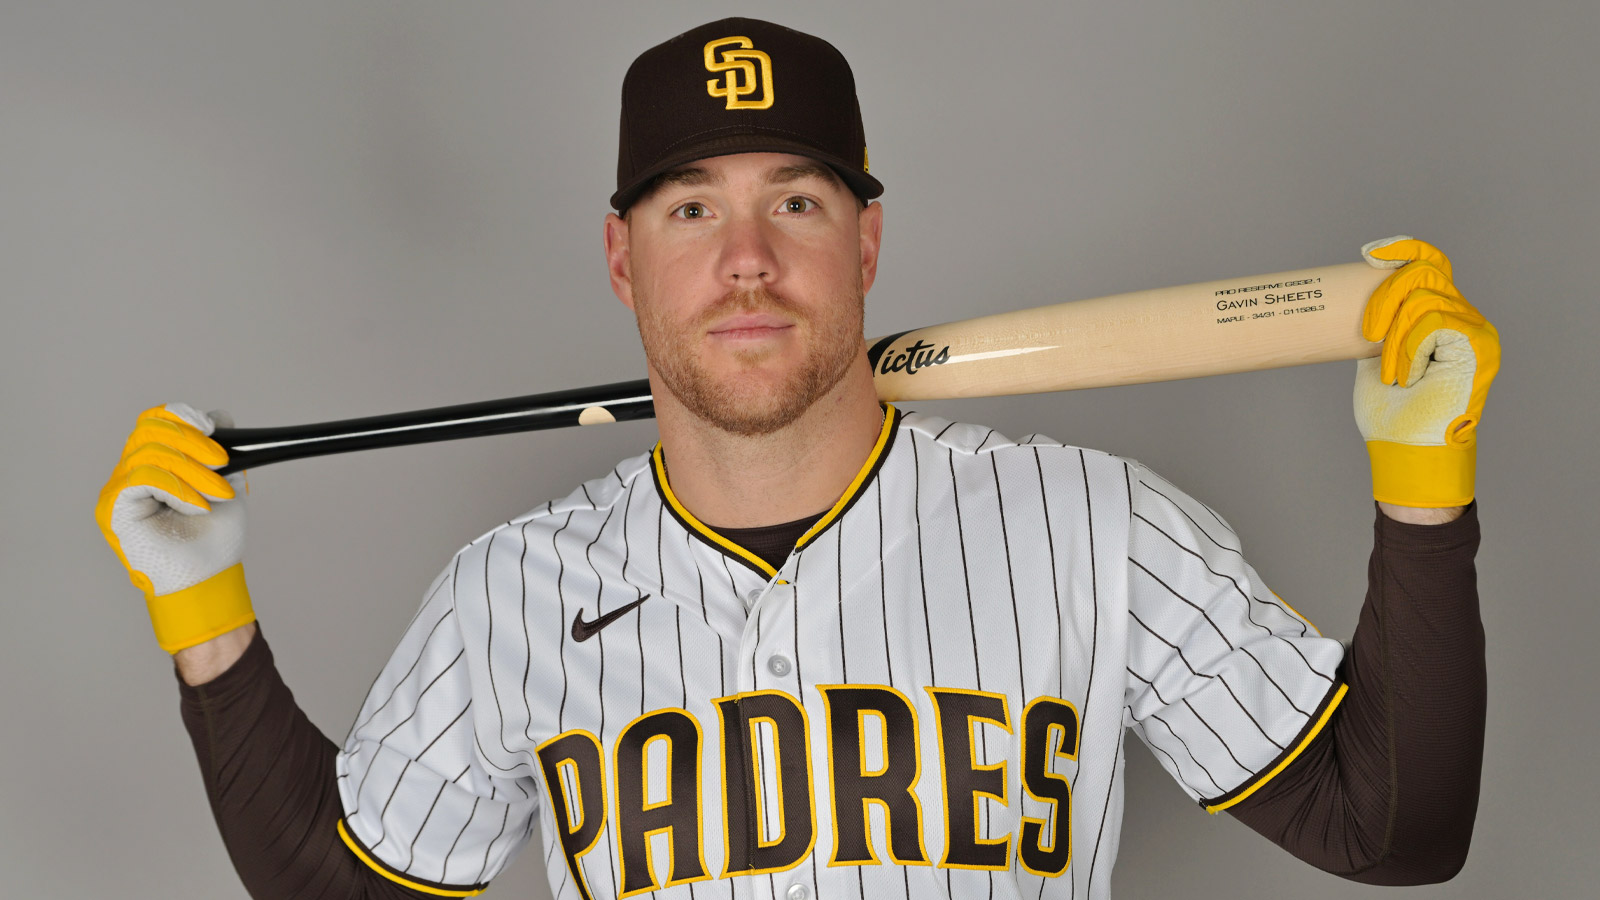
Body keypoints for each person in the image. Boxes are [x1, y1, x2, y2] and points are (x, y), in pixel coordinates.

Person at [95, 17, 1496, 900]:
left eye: (797, 199)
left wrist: (1422, 486)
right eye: (692, 207)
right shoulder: (503, 595)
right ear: (621, 260)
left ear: (866, 243)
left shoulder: (1094, 527)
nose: (748, 261)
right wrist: (205, 617)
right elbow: (346, 890)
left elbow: (1392, 829)